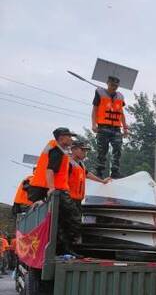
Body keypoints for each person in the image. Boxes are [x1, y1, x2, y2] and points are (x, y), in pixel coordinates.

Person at [28, 128, 81, 256]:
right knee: (73, 218)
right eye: (69, 137)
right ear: (62, 138)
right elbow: (50, 170)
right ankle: (67, 247)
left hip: (47, 188)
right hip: (55, 189)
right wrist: (52, 188)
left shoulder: (57, 149)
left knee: (59, 221)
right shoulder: (56, 151)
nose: (71, 139)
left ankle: (63, 249)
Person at [92, 76, 128, 178]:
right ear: (107, 83)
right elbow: (95, 110)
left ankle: (115, 171)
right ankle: (99, 171)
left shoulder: (120, 96)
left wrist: (125, 128)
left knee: (118, 148)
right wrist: (93, 124)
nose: (114, 87)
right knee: (102, 149)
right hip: (103, 126)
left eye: (116, 85)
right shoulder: (100, 93)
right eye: (112, 85)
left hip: (116, 128)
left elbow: (121, 113)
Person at [68, 140, 110, 206]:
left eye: (85, 151)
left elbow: (87, 174)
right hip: (68, 199)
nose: (85, 153)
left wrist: (102, 181)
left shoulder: (81, 164)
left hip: (77, 200)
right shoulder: (67, 163)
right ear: (73, 149)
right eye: (82, 150)